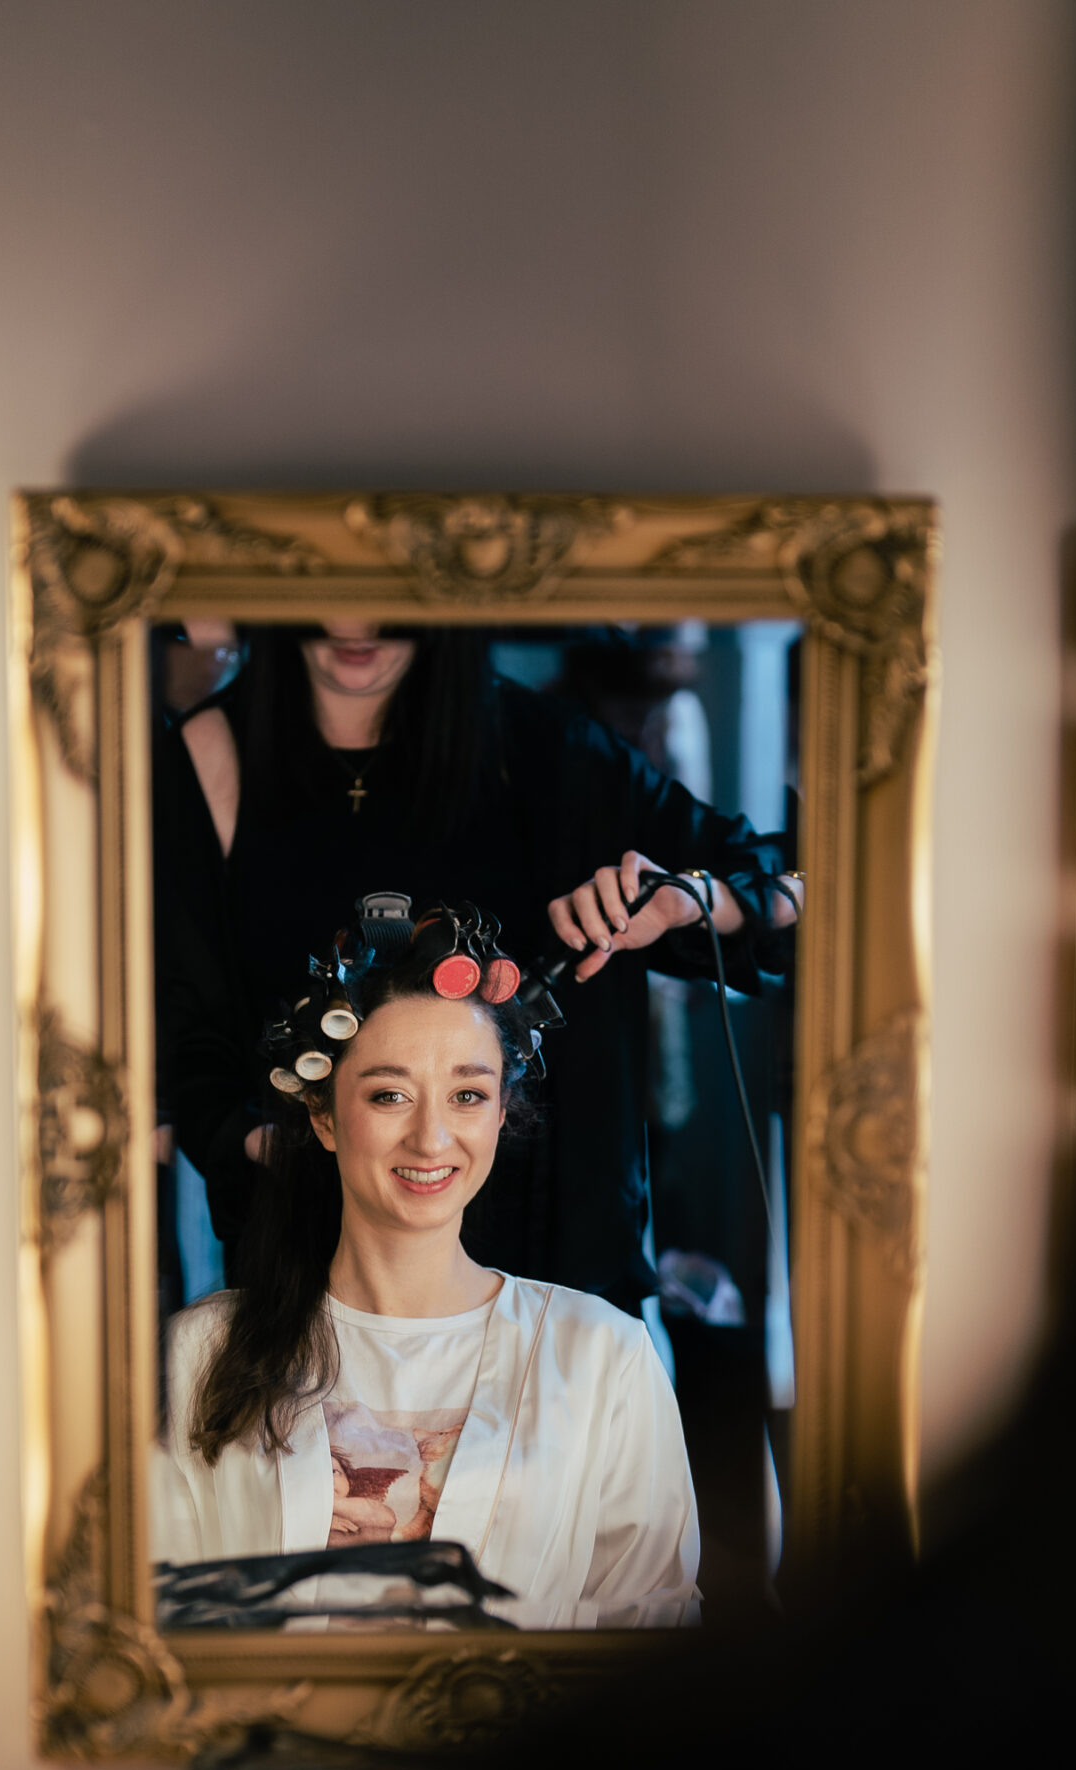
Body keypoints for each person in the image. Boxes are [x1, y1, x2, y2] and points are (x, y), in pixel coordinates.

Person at [152, 618, 796, 1311]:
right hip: (318, 1268)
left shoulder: (556, 753)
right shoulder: (206, 755)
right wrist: (256, 1143)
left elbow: (799, 883)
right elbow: (180, 1023)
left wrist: (695, 899)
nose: (353, 620)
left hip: (549, 1273)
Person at [150, 903, 701, 1629]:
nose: (430, 1136)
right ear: (321, 1115)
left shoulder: (601, 1355)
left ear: (501, 1114)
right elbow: (162, 1621)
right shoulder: (202, 1351)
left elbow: (653, 1635)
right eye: (389, 1095)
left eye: (467, 1095)